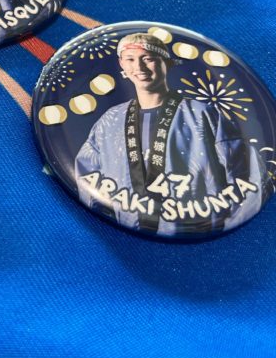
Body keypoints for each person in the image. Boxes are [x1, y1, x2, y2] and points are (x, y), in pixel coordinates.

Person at [74, 33, 264, 236]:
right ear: (122, 64)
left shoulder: (203, 114)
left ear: (166, 62)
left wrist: (224, 228)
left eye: (148, 58)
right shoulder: (110, 120)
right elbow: (87, 176)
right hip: (124, 235)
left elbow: (248, 176)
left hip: (199, 231)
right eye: (130, 59)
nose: (139, 67)